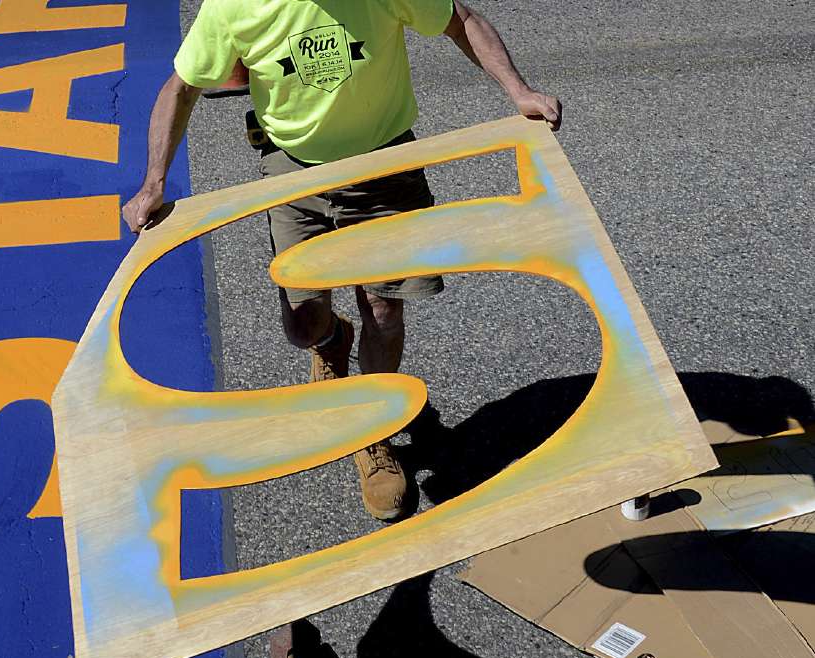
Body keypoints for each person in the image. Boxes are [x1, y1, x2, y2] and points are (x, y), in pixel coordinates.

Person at [121, 0, 562, 522]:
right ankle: (333, 341)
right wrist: (153, 184)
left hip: (385, 168)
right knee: (304, 327)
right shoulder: (235, 7)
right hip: (294, 176)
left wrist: (520, 92)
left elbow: (460, 20)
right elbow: (181, 87)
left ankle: (372, 433)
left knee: (384, 310)